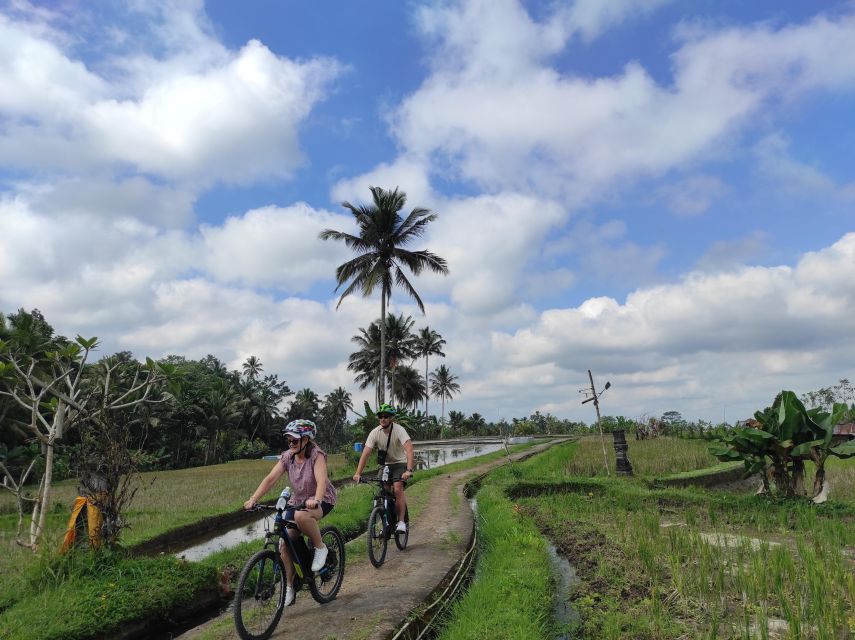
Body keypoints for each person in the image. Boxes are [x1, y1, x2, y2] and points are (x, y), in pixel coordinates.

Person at [244, 419, 336, 606]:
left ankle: (320, 547)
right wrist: (254, 499)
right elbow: (270, 479)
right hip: (298, 500)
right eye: (289, 440)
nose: (291, 443)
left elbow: (321, 482)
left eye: (295, 440)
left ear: (306, 440)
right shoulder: (287, 456)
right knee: (284, 543)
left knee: (302, 516)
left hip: (321, 499)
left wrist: (316, 500)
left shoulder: (316, 456)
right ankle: (289, 588)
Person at [352, 404, 414, 533]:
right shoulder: (375, 433)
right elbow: (365, 454)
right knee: (384, 491)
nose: (383, 419)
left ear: (391, 418)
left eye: (386, 416)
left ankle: (401, 521)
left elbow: (409, 448)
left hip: (399, 463)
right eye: (380, 416)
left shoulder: (399, 430)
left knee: (397, 489)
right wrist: (358, 473)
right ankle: (388, 522)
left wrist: (408, 470)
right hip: (385, 465)